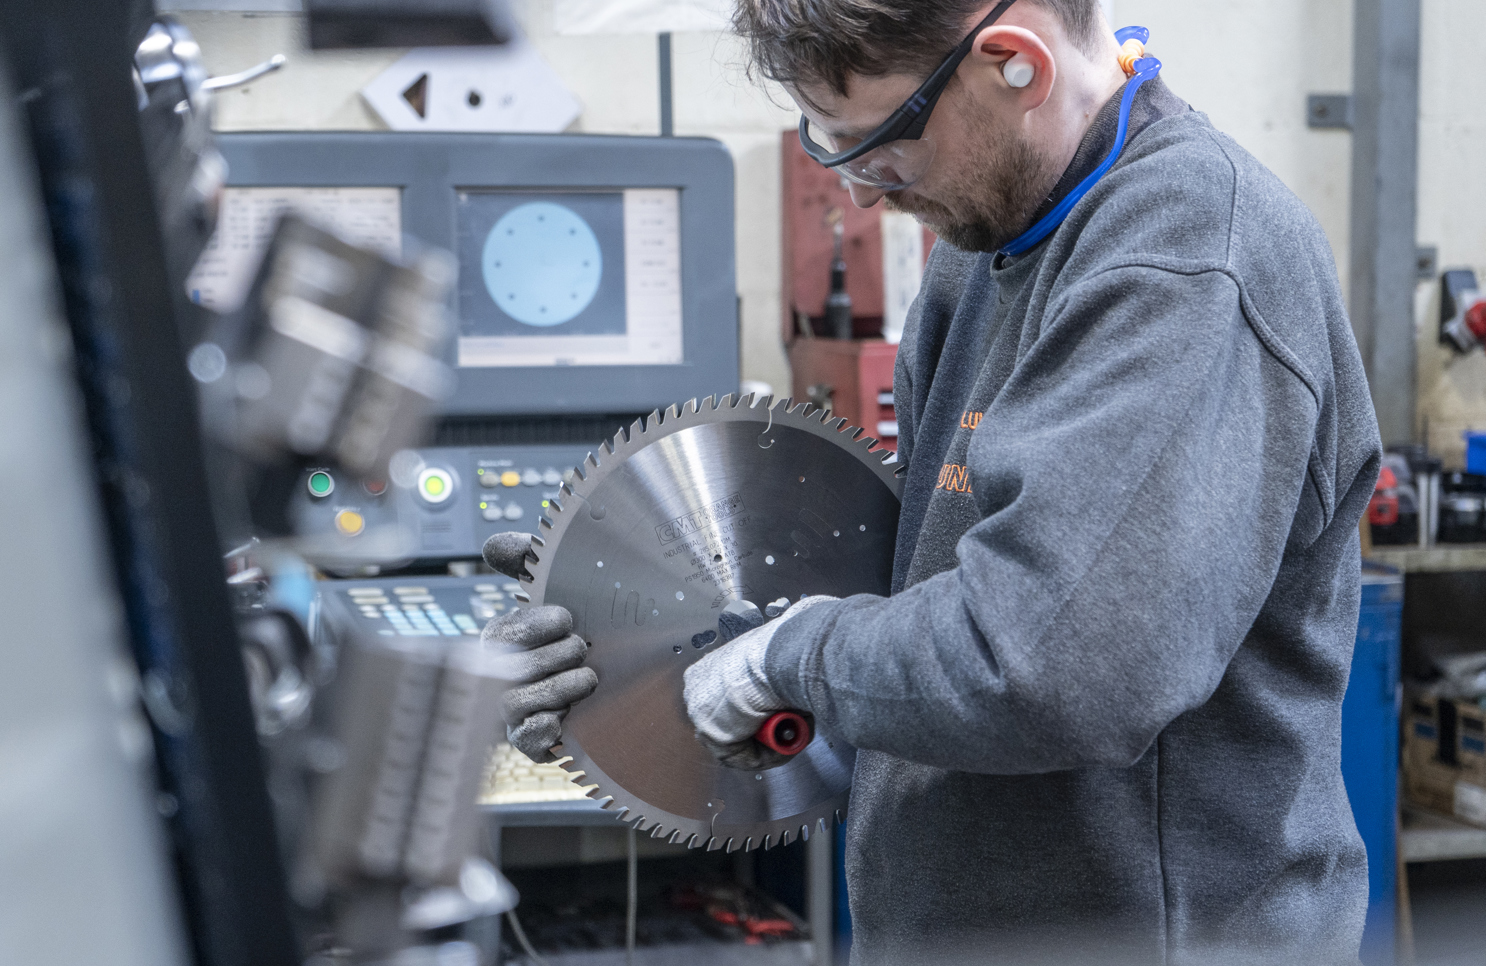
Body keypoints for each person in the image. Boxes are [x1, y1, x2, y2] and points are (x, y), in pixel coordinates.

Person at [482, 0, 1382, 961]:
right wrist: (630, 633)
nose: (865, 195)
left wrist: (788, 658)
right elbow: (920, 606)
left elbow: (1054, 669)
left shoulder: (1184, 264)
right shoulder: (987, 251)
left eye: (882, 146)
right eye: (830, 145)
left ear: (1014, 63)